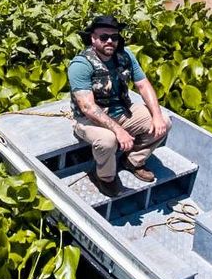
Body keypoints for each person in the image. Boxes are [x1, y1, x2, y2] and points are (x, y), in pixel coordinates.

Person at [68, 14, 170, 197]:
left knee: (165, 122)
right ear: (92, 38)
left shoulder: (126, 55)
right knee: (108, 140)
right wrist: (119, 131)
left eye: (114, 37)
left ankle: (133, 160)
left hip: (123, 111)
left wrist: (156, 115)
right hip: (89, 120)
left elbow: (142, 84)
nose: (110, 41)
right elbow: (87, 108)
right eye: (103, 37)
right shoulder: (81, 64)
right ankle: (106, 178)